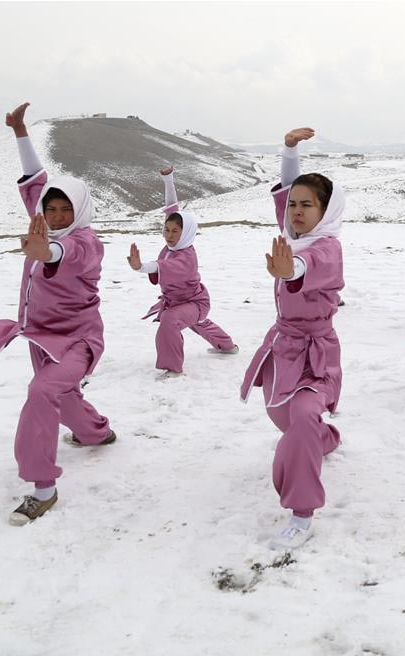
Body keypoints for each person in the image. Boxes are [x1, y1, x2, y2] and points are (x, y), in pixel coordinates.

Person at [0, 102, 114, 525]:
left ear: (78, 210)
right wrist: (21, 131)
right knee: (63, 395)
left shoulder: (83, 241)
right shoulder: (45, 223)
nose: (57, 216)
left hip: (78, 340)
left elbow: (65, 253)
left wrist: (46, 252)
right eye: (50, 209)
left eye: (65, 210)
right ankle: (97, 432)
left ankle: (42, 488)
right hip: (40, 335)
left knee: (42, 392)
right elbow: (35, 181)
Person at [239, 127, 344, 550]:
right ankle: (324, 438)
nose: (297, 211)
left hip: (315, 353)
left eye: (308, 205)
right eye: (294, 205)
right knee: (286, 420)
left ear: (327, 211)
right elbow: (285, 195)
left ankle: (302, 513)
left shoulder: (325, 248)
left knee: (300, 416)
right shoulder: (295, 237)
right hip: (283, 346)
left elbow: (305, 266)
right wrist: (288, 150)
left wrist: (289, 272)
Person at [127, 167, 237, 378]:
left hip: (194, 303)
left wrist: (140, 267)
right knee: (200, 323)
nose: (169, 234)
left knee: (170, 320)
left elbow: (160, 266)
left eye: (175, 231)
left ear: (186, 232)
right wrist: (168, 180)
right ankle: (228, 346)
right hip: (183, 302)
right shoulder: (174, 245)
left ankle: (173, 368)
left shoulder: (185, 257)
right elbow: (172, 209)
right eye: (167, 230)